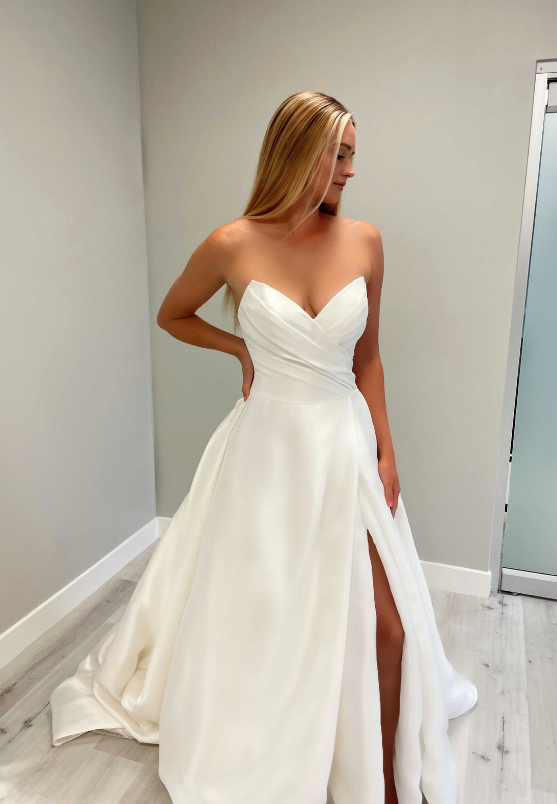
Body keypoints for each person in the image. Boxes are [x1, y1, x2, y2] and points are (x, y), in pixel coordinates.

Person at [50, 91, 478, 804]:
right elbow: (173, 314)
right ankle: (274, 743)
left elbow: (368, 357)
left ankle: (382, 780)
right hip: (266, 457)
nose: (350, 171)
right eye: (339, 155)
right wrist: (241, 348)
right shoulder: (232, 243)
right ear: (298, 152)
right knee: (266, 616)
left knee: (389, 630)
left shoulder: (364, 240)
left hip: (344, 447)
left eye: (353, 156)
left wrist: (387, 453)